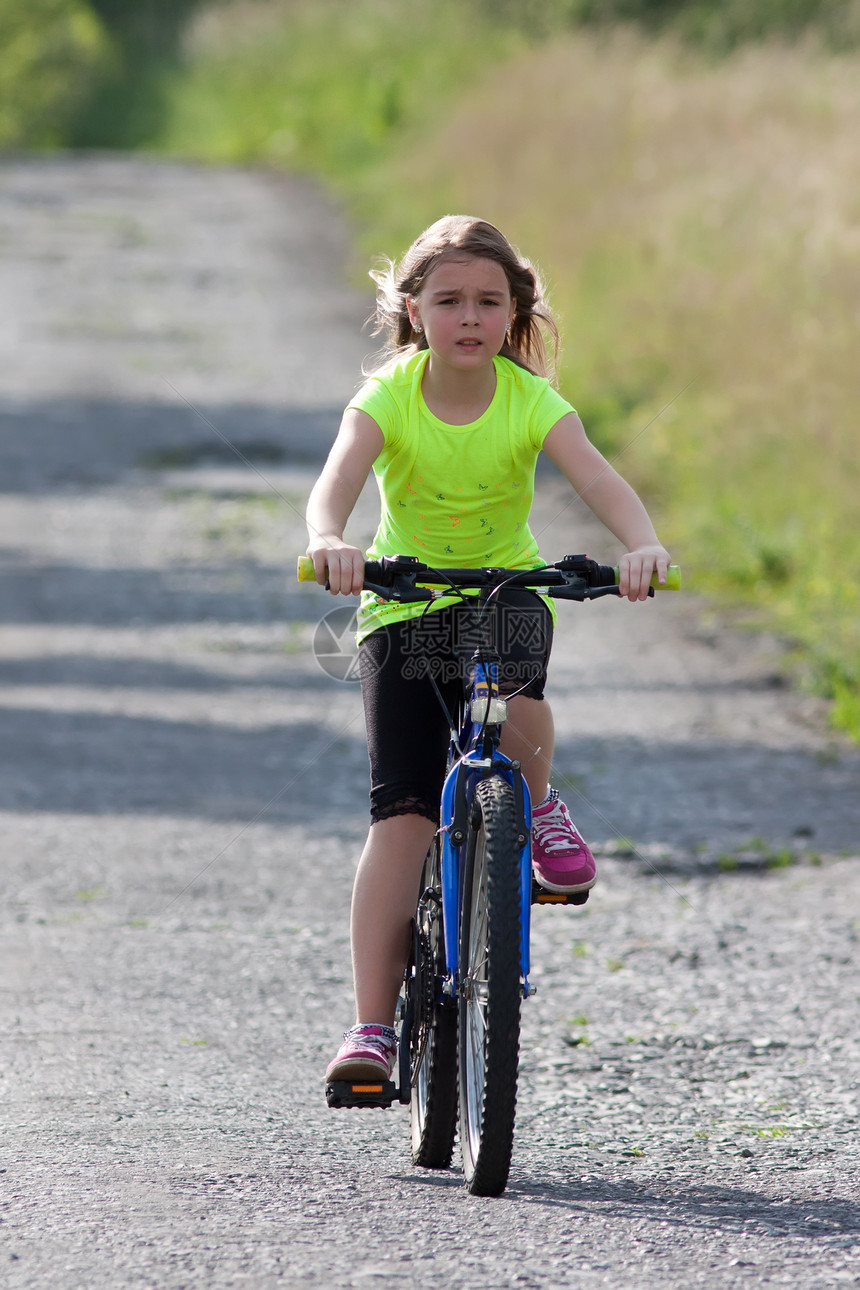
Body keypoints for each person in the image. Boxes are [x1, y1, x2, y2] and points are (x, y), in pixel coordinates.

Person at [305, 215, 670, 1083]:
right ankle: (370, 1031)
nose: (469, 317)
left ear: (514, 315)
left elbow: (599, 478)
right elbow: (338, 480)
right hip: (404, 605)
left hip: (503, 589)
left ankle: (536, 808)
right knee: (400, 820)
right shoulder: (389, 395)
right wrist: (330, 539)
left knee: (519, 680)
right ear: (414, 310)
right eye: (449, 301)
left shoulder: (531, 400)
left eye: (488, 302)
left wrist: (642, 544)